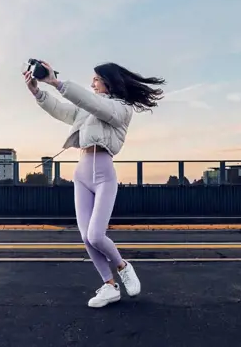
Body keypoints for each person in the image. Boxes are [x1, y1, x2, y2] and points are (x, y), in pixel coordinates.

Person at [24, 60, 166, 308]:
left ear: (109, 82)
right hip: (81, 172)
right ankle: (109, 286)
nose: (92, 84)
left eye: (96, 80)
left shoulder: (120, 109)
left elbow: (94, 104)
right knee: (86, 238)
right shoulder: (87, 110)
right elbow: (62, 110)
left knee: (96, 234)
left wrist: (56, 82)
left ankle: (123, 266)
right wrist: (38, 91)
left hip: (103, 173)